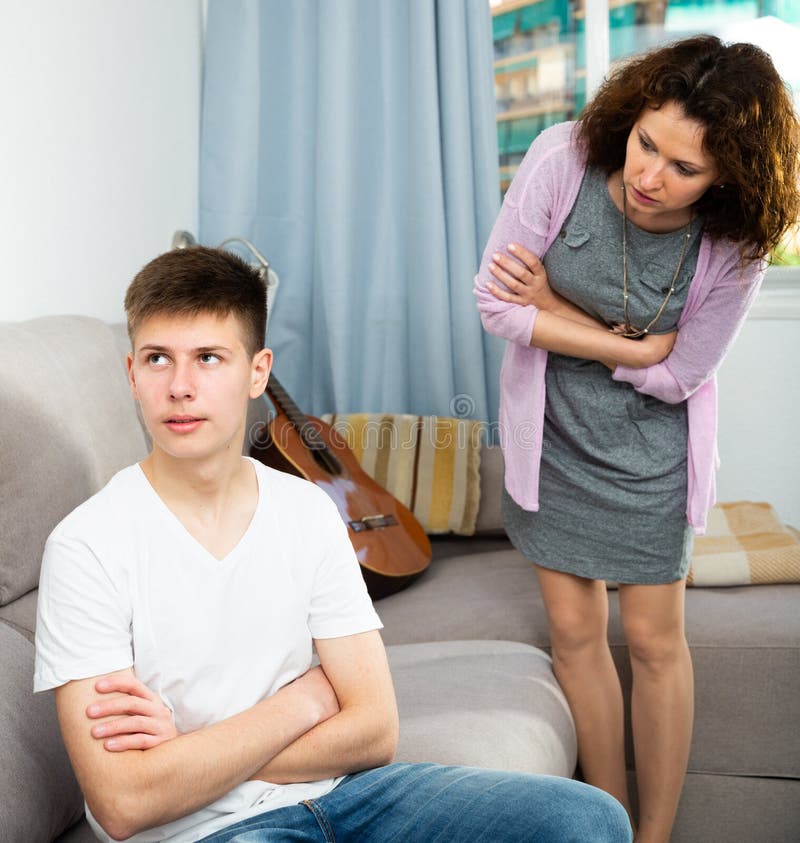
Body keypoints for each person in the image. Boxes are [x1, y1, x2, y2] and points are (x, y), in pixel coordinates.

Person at [34, 245, 631, 843]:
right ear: (132, 375)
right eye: (158, 359)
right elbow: (122, 799)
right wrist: (307, 703)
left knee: (587, 818)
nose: (181, 387)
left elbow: (374, 730)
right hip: (210, 832)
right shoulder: (86, 547)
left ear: (257, 372)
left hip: (350, 798)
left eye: (209, 358)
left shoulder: (308, 510)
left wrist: (187, 752)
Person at [474, 34, 800, 843]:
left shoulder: (737, 244)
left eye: (684, 168)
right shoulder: (561, 160)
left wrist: (560, 307)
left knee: (657, 644)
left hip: (654, 455)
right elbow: (495, 303)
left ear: (727, 176)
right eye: (646, 142)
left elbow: (680, 375)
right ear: (633, 113)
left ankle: (654, 836)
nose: (651, 175)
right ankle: (608, 825)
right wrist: (630, 343)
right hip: (552, 440)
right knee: (577, 639)